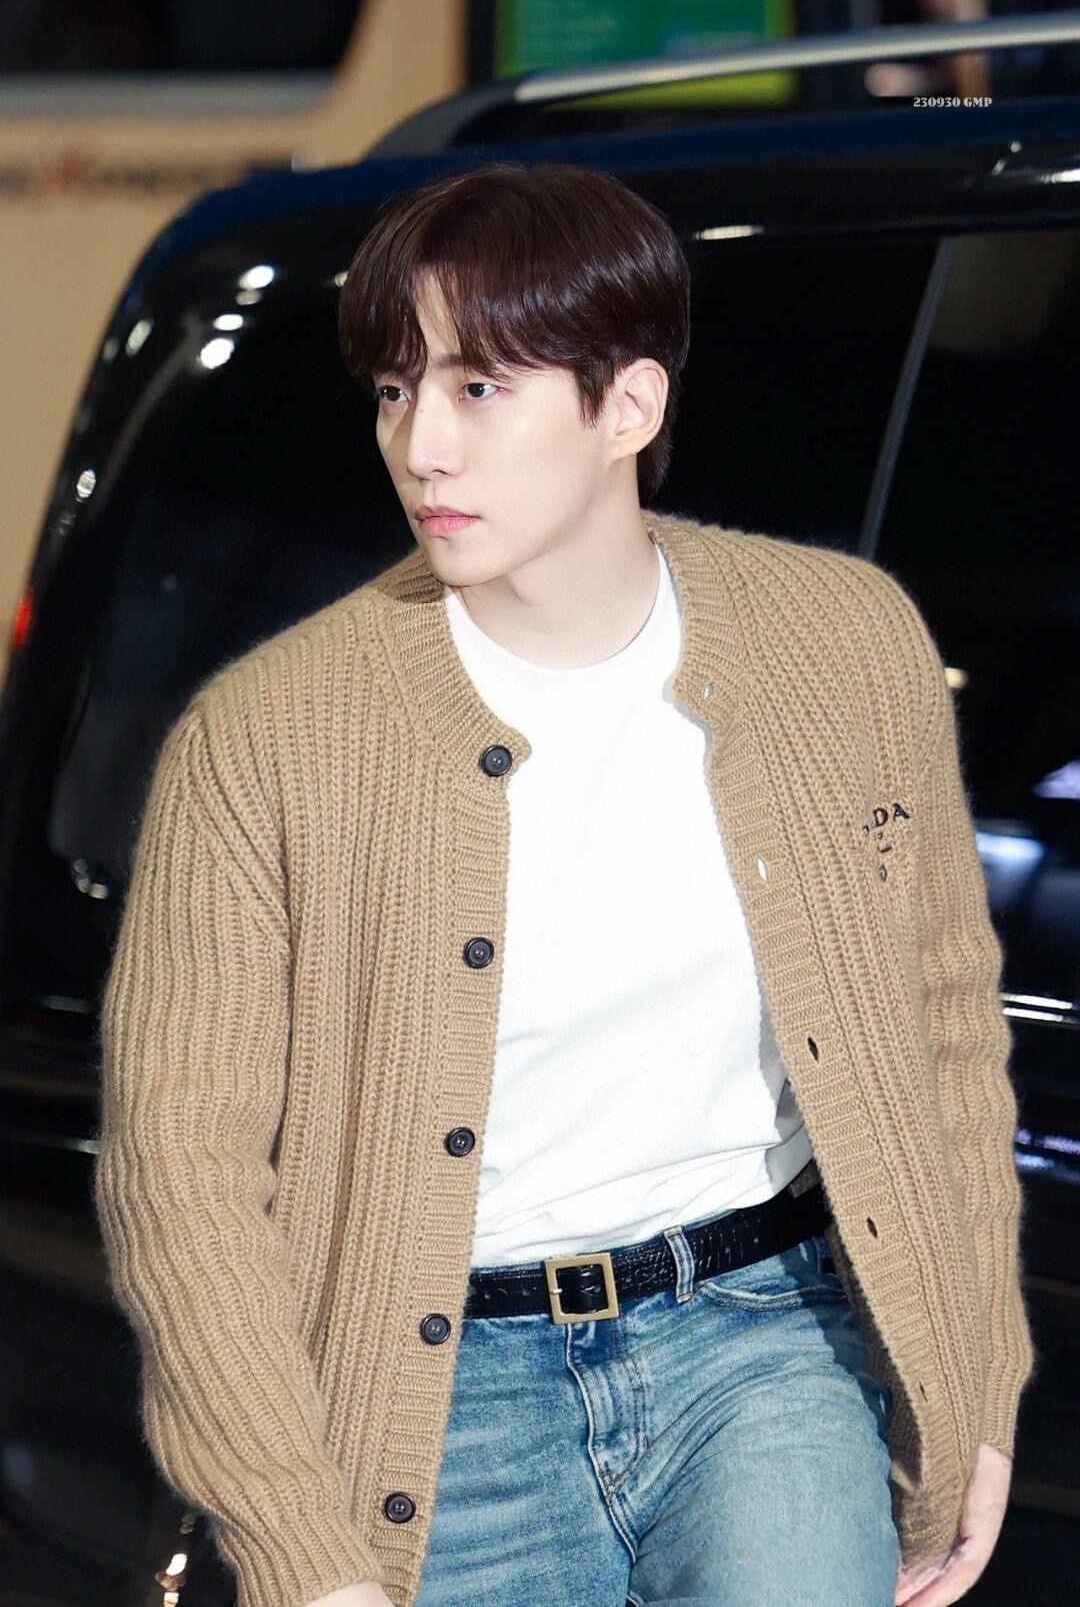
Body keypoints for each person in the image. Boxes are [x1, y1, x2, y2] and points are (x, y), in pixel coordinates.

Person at [94, 160, 1035, 1607]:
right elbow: (185, 1175)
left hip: (766, 1339)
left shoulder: (844, 644)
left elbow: (947, 1028)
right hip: (445, 1402)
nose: (422, 446)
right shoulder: (267, 739)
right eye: (395, 390)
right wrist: (302, 1549)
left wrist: (977, 1379)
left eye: (480, 388)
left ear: (629, 407)